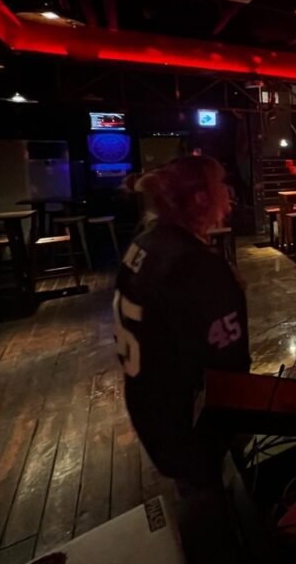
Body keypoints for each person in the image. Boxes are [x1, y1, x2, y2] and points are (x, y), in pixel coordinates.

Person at [112, 156, 250, 560]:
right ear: (200, 198)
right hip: (191, 424)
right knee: (212, 515)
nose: (229, 195)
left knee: (192, 493)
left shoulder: (144, 244)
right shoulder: (194, 266)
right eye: (222, 185)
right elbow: (228, 372)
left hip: (151, 408)